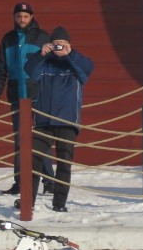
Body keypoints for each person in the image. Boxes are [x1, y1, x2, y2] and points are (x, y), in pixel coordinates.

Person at [21, 26, 94, 213]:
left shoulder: (75, 64)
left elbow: (87, 68)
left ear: (69, 44)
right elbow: (30, 70)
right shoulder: (44, 62)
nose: (59, 47)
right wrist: (41, 54)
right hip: (44, 120)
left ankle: (59, 203)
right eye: (56, 44)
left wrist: (71, 54)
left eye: (63, 44)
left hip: (67, 122)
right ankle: (27, 202)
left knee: (64, 164)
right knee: (34, 161)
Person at [0, 2, 52, 196]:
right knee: (20, 141)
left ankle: (49, 182)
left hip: (38, 95)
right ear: (14, 18)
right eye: (19, 16)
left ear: (32, 17)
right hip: (17, 95)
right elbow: (0, 67)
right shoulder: (8, 39)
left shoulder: (43, 37)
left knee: (40, 140)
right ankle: (20, 182)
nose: (22, 20)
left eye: (25, 16)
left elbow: (50, 67)